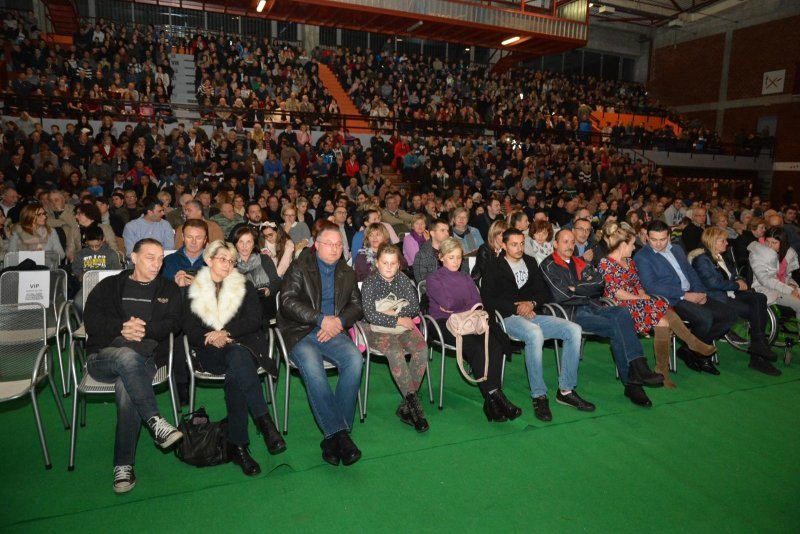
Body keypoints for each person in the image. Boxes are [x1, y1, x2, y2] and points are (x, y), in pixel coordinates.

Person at [83, 238, 183, 493]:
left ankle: (123, 466)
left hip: (146, 360)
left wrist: (145, 328)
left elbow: (175, 323)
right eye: (150, 257)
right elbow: (91, 321)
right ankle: (156, 421)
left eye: (161, 258)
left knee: (127, 387)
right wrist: (122, 328)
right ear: (134, 257)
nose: (157, 263)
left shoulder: (168, 289)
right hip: (103, 357)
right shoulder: (110, 286)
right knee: (126, 356)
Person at [183, 240, 286, 476]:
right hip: (209, 352)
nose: (228, 265)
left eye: (231, 261)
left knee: (236, 370)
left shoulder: (244, 286)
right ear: (208, 260)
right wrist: (211, 337)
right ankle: (265, 423)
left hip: (243, 346)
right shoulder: (193, 289)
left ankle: (239, 447)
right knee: (239, 363)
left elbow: (253, 319)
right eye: (222, 259)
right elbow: (188, 327)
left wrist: (226, 332)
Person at [540, 229, 664, 407]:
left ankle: (638, 368)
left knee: (622, 313)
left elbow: (599, 284)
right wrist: (584, 289)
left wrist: (577, 288)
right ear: (555, 244)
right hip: (569, 313)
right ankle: (633, 381)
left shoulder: (579, 262)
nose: (569, 246)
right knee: (616, 326)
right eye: (565, 242)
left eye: (571, 242)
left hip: (592, 305)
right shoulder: (548, 265)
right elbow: (562, 295)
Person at [482, 229, 594, 421]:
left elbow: (544, 293)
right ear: (504, 245)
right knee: (535, 334)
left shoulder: (531, 262)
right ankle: (539, 395)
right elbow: (488, 299)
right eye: (514, 244)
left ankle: (566, 391)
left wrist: (531, 303)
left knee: (573, 329)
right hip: (507, 318)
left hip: (533, 314)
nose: (519, 248)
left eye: (521, 244)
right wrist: (516, 308)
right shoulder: (493, 266)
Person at [278, 223, 364, 466]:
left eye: (339, 244)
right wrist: (320, 319)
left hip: (333, 330)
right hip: (300, 331)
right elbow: (287, 301)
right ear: (317, 245)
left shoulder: (347, 272)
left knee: (355, 360)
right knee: (313, 367)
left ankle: (333, 438)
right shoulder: (300, 267)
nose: (335, 249)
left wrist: (338, 321)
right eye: (330, 244)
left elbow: (357, 306)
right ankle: (340, 435)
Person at [597, 222, 716, 388]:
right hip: (619, 307)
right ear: (623, 244)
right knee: (662, 314)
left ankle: (664, 370)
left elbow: (638, 285)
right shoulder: (605, 263)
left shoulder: (629, 261)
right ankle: (687, 347)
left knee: (662, 312)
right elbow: (616, 292)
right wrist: (641, 299)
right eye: (632, 244)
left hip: (636, 302)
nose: (634, 248)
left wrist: (643, 295)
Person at [426, 238, 522, 421]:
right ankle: (496, 397)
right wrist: (464, 303)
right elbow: (447, 304)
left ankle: (492, 401)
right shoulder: (433, 279)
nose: (455, 261)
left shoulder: (465, 277)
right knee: (475, 346)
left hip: (469, 320)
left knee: (494, 343)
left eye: (458, 257)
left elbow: (477, 302)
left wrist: (461, 304)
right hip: (442, 323)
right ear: (441, 258)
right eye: (451, 257)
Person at [635, 220, 737, 375]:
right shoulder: (642, 256)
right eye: (654, 239)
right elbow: (651, 286)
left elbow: (690, 272)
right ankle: (700, 354)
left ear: (669, 236)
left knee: (729, 315)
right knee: (705, 318)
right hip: (671, 300)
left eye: (662, 239)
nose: (658, 243)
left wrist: (701, 292)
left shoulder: (676, 249)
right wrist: (684, 295)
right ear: (647, 238)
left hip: (693, 293)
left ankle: (690, 350)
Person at [690, 227, 781, 375]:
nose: (727, 243)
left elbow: (730, 276)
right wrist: (737, 284)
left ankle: (758, 345)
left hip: (730, 292)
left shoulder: (721, 257)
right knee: (754, 311)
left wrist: (738, 280)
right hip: (715, 296)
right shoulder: (702, 260)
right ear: (712, 242)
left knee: (760, 298)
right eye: (723, 240)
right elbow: (712, 283)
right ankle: (758, 356)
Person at [360, 243, 430, 432]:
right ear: (377, 263)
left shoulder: (405, 280)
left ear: (399, 264)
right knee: (395, 352)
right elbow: (370, 315)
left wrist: (390, 311)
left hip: (403, 328)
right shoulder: (369, 283)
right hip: (377, 331)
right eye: (385, 262)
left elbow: (414, 307)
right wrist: (398, 318)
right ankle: (414, 406)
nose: (389, 267)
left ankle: (406, 406)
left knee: (422, 349)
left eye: (393, 263)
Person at [749, 227, 800, 319]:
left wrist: (792, 285)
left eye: (774, 242)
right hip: (768, 290)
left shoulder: (786, 254)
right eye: (767, 241)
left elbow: (786, 276)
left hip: (784, 287)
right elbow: (765, 280)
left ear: (782, 243)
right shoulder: (758, 254)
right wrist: (789, 290)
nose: (769, 245)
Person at [232, 226, 280, 320]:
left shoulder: (264, 259)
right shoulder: (230, 263)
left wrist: (268, 290)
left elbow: (276, 281)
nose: (244, 246)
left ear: (254, 244)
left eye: (248, 242)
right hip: (241, 305)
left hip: (264, 301)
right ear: (235, 244)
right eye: (241, 242)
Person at [413, 218, 468, 282]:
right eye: (442, 230)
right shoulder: (422, 255)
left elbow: (465, 273)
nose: (447, 233)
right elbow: (422, 283)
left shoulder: (454, 250)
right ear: (432, 233)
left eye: (447, 231)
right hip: (436, 289)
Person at [162, 219, 209, 288]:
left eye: (198, 238)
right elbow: (161, 290)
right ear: (183, 237)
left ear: (205, 240)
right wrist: (174, 284)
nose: (193, 242)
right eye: (189, 237)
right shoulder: (169, 261)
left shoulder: (214, 262)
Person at [471, 219, 508, 285]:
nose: (505, 238)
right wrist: (498, 256)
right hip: (483, 281)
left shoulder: (506, 249)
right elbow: (486, 272)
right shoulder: (484, 249)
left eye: (506, 235)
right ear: (494, 235)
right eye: (502, 235)